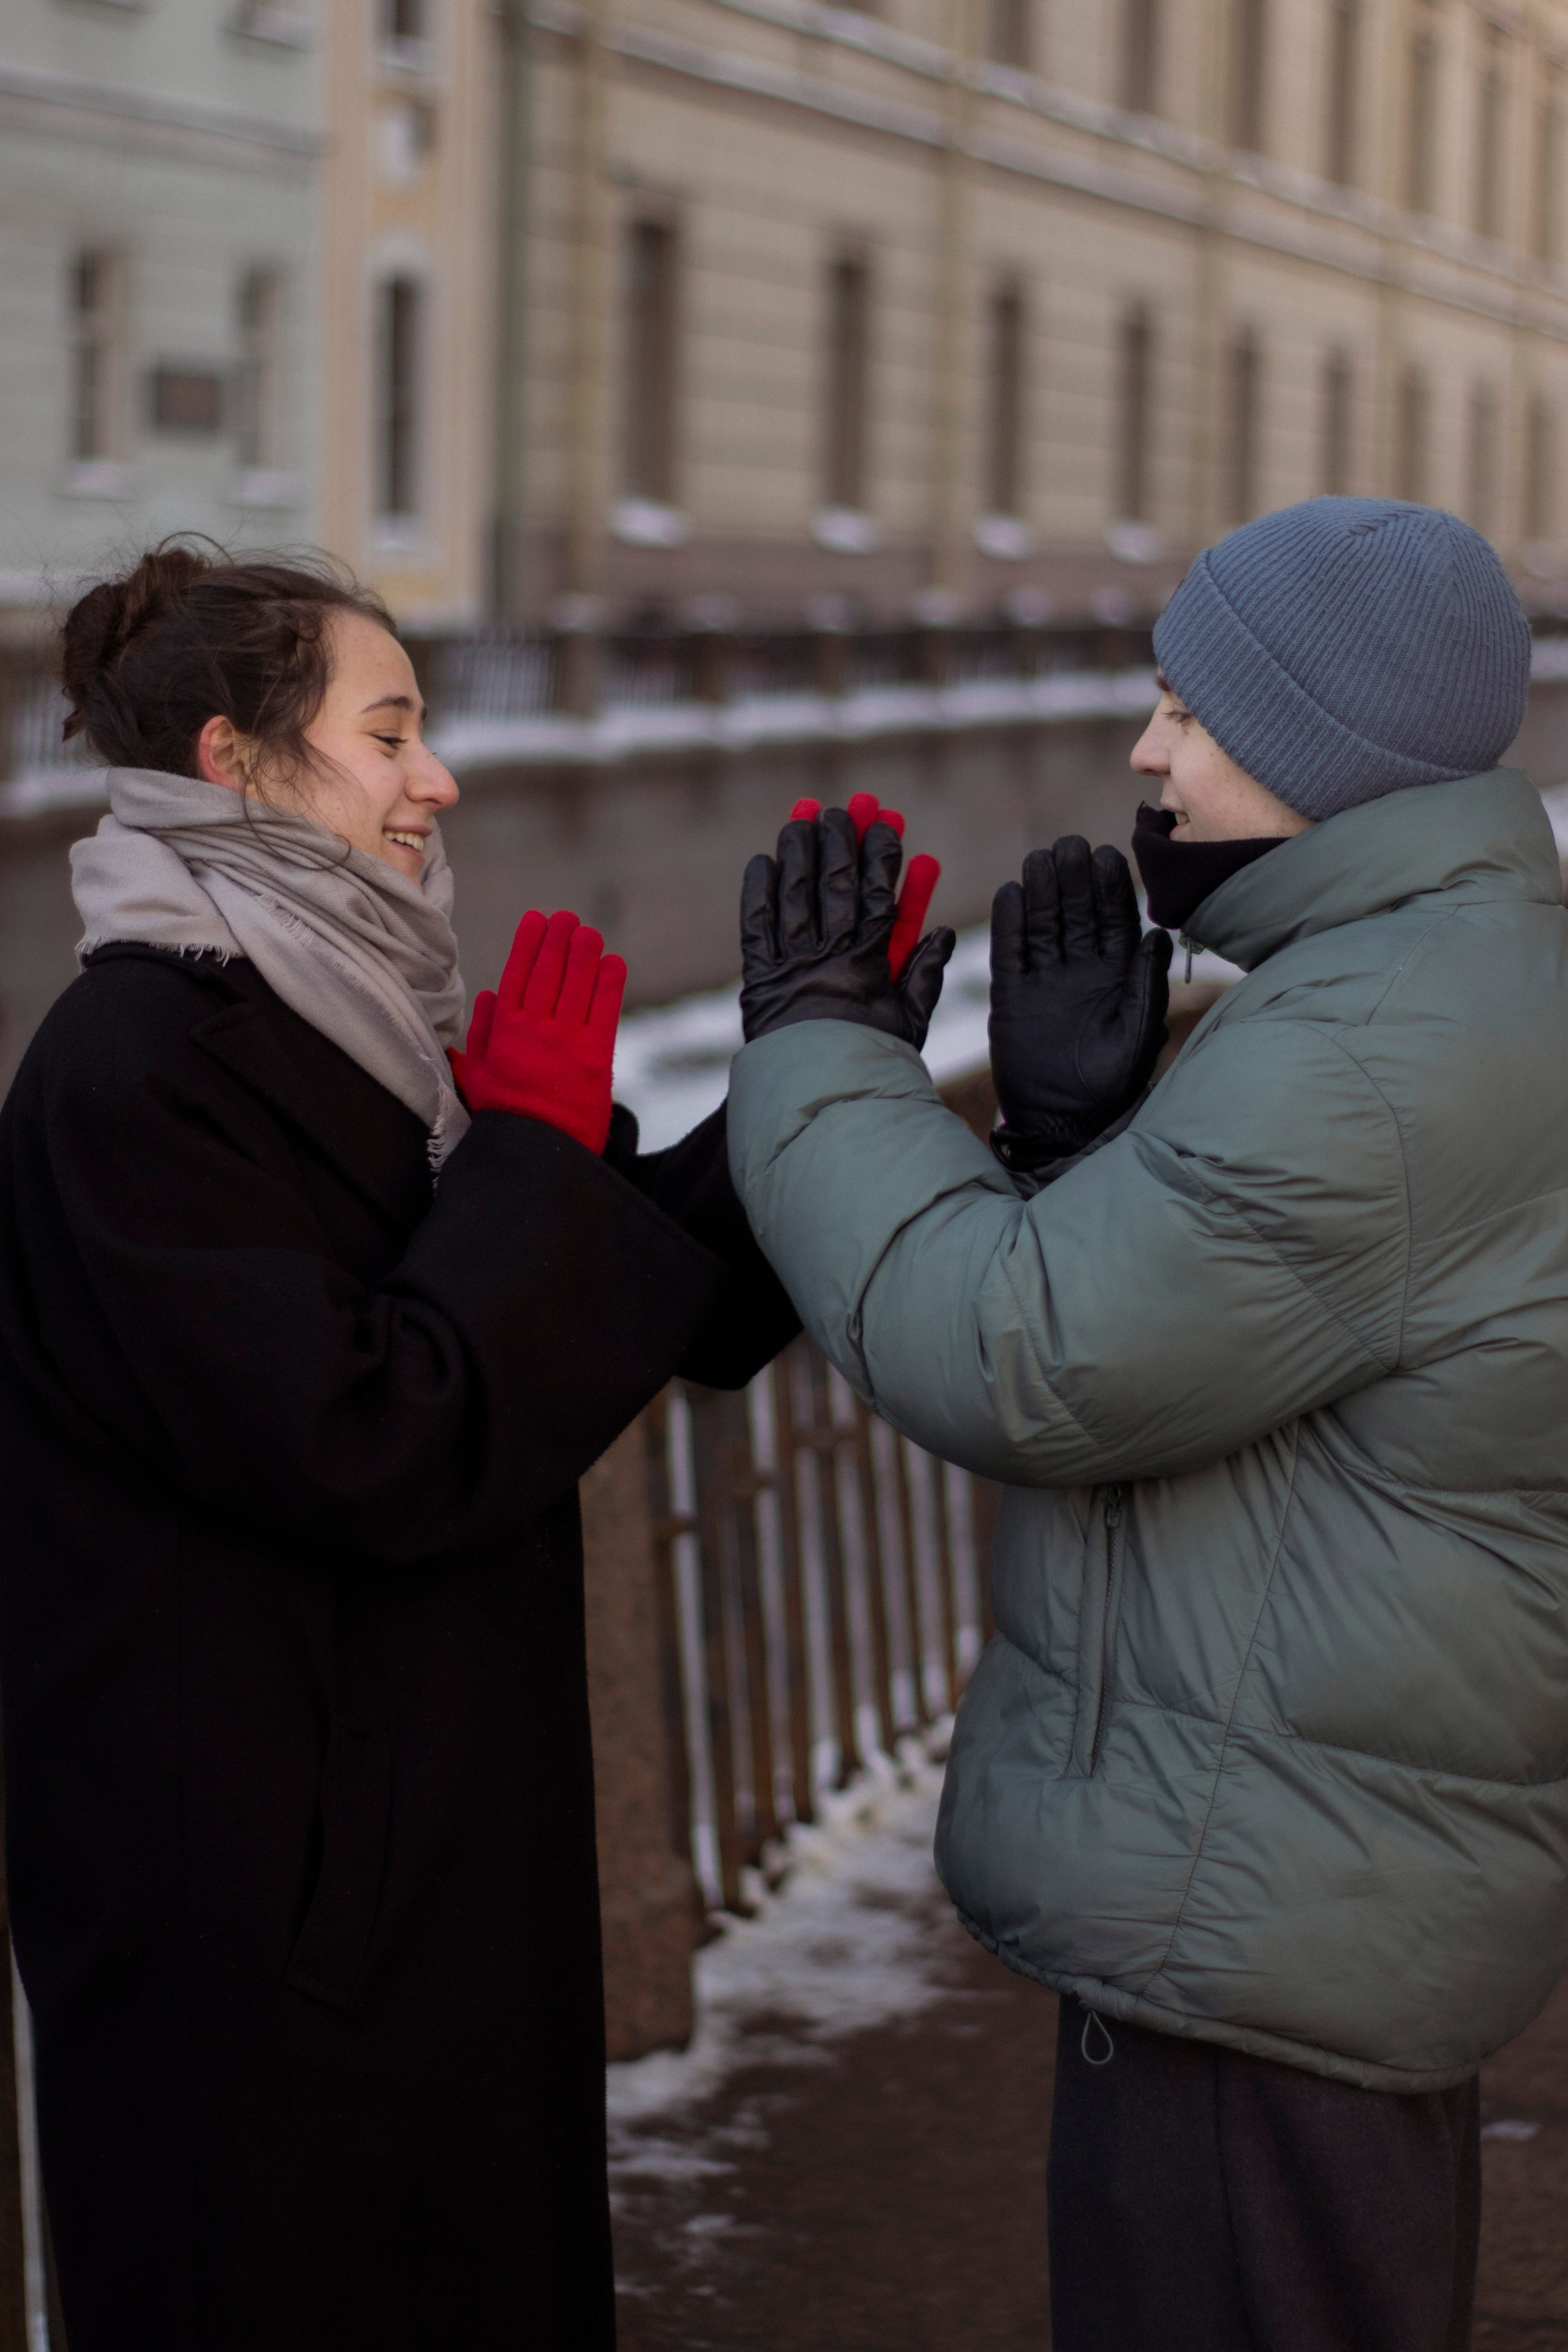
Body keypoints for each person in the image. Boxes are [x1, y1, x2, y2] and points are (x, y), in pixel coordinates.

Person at [726, 497, 1567, 2352]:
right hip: (1312, 1868)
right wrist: (1078, 1149)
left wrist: (815, 1050)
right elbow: (1250, 1355)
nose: (1144, 749)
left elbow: (1021, 1354)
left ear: (1324, 747)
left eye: (1190, 708)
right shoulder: (1431, 984)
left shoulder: (1370, 1045)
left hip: (1266, 1912)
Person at [0, 543, 797, 2352]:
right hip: (253, 1935)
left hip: (403, 1877)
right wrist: (525, 1158)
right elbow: (374, 1432)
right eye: (388, 732)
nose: (437, 778)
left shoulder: (365, 1025)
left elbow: (640, 1295)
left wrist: (817, 1075)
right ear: (233, 759)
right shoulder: (136, 1072)